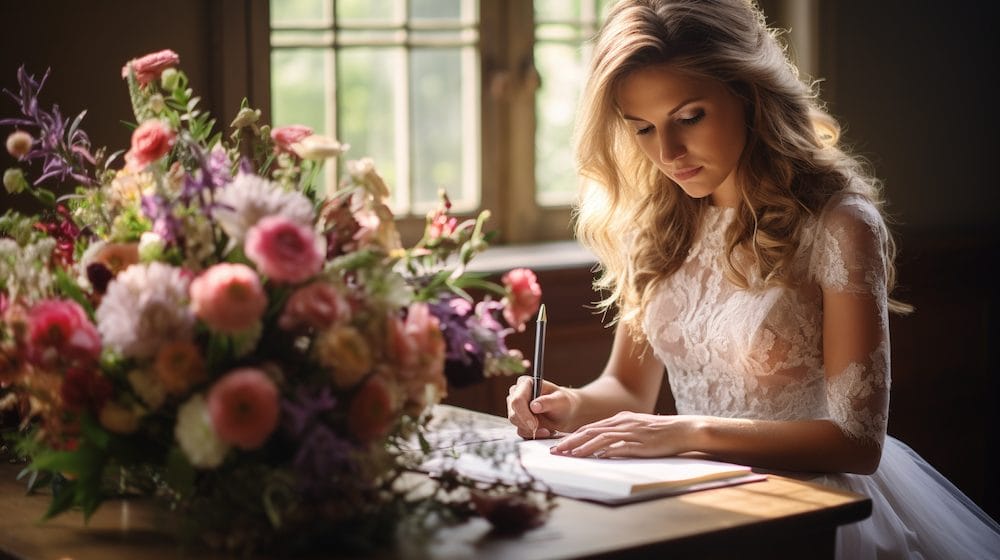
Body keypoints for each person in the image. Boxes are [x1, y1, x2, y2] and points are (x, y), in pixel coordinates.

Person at [505, 0, 1000, 558]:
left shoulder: (838, 226)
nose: (666, 153)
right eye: (642, 128)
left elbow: (859, 443)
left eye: (689, 117)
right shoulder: (656, 228)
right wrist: (566, 404)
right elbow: (626, 389)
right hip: (694, 500)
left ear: (749, 94)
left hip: (812, 506)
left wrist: (687, 432)